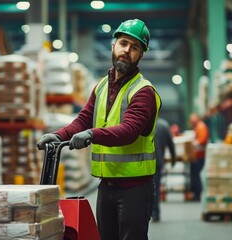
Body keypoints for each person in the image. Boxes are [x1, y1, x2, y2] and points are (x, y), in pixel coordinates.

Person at [37, 19, 161, 240]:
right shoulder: (102, 85)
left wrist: (92, 135)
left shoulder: (144, 92)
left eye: (135, 48)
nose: (127, 51)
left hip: (135, 188)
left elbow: (129, 131)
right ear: (114, 45)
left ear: (141, 55)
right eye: (123, 43)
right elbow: (84, 119)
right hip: (107, 186)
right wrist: (58, 135)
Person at [152, 117, 176, 222]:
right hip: (157, 162)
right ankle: (155, 213)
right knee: (155, 189)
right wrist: (173, 159)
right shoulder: (164, 125)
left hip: (141, 163)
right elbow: (171, 144)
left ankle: (146, 213)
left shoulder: (143, 122)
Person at [188, 113, 209, 201]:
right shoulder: (197, 127)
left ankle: (197, 195)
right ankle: (195, 193)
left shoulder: (201, 127)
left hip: (199, 156)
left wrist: (194, 143)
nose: (191, 122)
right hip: (196, 156)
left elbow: (203, 140)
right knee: (195, 175)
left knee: (197, 175)